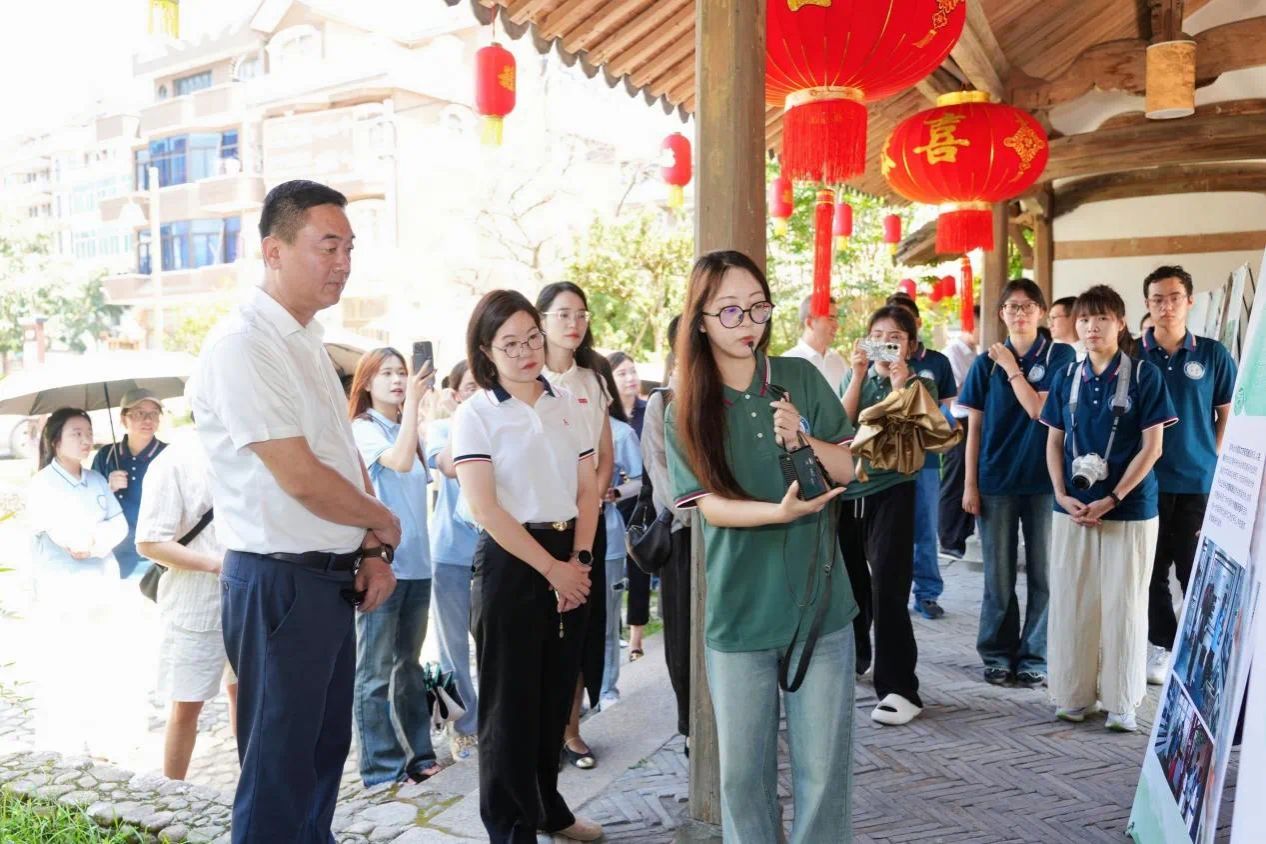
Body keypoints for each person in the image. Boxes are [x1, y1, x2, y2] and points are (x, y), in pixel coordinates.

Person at [192, 180, 402, 843]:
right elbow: (301, 477)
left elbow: (340, 452)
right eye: (327, 246)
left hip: (328, 576)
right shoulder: (244, 343)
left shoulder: (306, 339)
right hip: (278, 580)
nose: (343, 263)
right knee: (278, 772)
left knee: (320, 754)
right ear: (273, 250)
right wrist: (384, 520)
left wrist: (370, 547)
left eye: (349, 248)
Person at [666, 250, 859, 841]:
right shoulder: (684, 408)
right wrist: (778, 512)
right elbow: (710, 507)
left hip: (820, 609)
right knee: (743, 781)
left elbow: (850, 468)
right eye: (729, 310)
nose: (747, 322)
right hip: (739, 615)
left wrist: (802, 438)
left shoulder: (800, 377)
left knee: (824, 775)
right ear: (700, 321)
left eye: (757, 307)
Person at [452, 289, 602, 842]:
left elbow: (588, 490)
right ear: (486, 352)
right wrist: (552, 570)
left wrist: (579, 561)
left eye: (532, 338)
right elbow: (486, 508)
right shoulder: (474, 414)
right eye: (510, 344)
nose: (525, 352)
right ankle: (511, 828)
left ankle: (548, 809)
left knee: (554, 695)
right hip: (512, 561)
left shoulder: (566, 402)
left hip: (570, 555)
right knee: (508, 707)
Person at [1040, 284, 1176, 732]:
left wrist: (1113, 497)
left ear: (1120, 323)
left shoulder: (1144, 376)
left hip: (1130, 508)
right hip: (1073, 507)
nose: (1091, 327)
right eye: (1083, 319)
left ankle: (1122, 701)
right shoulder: (1066, 376)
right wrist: (1061, 493)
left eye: (1101, 318)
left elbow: (1153, 447)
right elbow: (1054, 442)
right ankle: (1074, 694)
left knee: (1125, 603)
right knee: (1073, 600)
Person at [959, 280, 1075, 688]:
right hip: (996, 480)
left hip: (1045, 481)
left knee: (1044, 574)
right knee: (998, 576)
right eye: (1011, 306)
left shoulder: (1060, 355)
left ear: (1041, 312)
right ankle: (996, 654)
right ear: (1001, 313)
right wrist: (970, 484)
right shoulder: (984, 364)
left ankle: (1035, 657)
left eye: (1027, 306)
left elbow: (1039, 409)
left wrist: (1011, 366)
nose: (1019, 313)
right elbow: (974, 428)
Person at [347, 348, 441, 786]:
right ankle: (381, 770)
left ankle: (420, 755)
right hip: (382, 567)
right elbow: (399, 461)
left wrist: (416, 414)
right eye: (386, 373)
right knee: (375, 671)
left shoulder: (409, 429)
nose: (398, 380)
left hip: (418, 565)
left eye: (402, 372)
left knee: (410, 666)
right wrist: (416, 406)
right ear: (366, 383)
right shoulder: (362, 429)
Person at [1138, 266, 1235, 685]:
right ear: (1147, 305)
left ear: (1190, 301)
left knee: (1194, 572)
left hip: (1197, 482)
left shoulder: (1212, 354)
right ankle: (1163, 645)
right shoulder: (1133, 355)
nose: (1167, 306)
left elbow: (1226, 414)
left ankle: (1196, 649)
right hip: (1145, 482)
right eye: (1158, 299)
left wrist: (1210, 455)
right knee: (1150, 572)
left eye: (1175, 297)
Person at [841, 305, 934, 726]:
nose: (885, 343)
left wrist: (900, 384)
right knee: (849, 586)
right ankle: (854, 658)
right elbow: (840, 426)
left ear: (910, 346)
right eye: (877, 335)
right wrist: (857, 375)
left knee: (889, 590)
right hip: (849, 493)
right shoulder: (855, 377)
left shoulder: (920, 383)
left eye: (894, 337)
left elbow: (913, 435)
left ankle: (900, 687)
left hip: (893, 491)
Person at [538, 281, 614, 770]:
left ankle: (571, 729)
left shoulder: (593, 379)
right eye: (563, 314)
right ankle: (539, 733)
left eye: (581, 314)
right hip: (540, 526)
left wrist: (590, 511)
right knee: (542, 629)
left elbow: (604, 457)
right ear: (541, 319)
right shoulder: (528, 379)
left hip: (587, 523)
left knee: (581, 628)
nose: (574, 323)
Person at [135, 428, 238, 781]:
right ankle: (171, 794)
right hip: (196, 603)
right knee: (186, 706)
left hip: (249, 596)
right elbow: (149, 542)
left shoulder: (251, 444)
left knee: (246, 696)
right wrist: (216, 565)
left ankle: (253, 787)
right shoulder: (175, 461)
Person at [27, 408, 127, 752]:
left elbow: (119, 524)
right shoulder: (42, 485)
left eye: (88, 433)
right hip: (63, 592)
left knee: (99, 662)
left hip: (101, 586)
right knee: (65, 666)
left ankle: (100, 739)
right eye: (76, 433)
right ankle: (62, 747)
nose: (86, 440)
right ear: (55, 440)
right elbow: (68, 538)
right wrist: (92, 539)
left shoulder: (96, 480)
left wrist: (96, 541)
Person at [887, 294, 957, 620]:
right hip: (885, 464)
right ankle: (891, 593)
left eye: (903, 323)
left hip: (926, 460)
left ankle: (927, 594)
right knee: (889, 532)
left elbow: (947, 414)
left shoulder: (938, 362)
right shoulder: (878, 362)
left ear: (915, 325)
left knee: (926, 529)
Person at [640, 315, 691, 745]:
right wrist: (705, 515)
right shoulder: (661, 402)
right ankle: (691, 724)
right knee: (682, 634)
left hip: (733, 532)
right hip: (684, 534)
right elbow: (661, 475)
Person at [428, 360, 482, 761]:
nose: (476, 393)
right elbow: (449, 467)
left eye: (482, 386)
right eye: (469, 387)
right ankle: (463, 728)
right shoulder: (443, 428)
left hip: (494, 551)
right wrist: (461, 417)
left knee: (496, 642)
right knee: (453, 651)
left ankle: (498, 719)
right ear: (455, 393)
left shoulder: (500, 424)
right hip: (449, 553)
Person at [91, 388, 168, 580]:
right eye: (140, 413)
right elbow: (90, 504)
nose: (148, 420)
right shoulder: (106, 456)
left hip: (161, 553)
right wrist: (108, 488)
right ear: (123, 419)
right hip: (115, 553)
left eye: (154, 414)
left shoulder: (170, 455)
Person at [599, 370, 642, 708]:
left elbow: (641, 480)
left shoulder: (622, 433)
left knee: (607, 619)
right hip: (561, 537)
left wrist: (615, 492)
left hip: (609, 536)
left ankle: (606, 690)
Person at [609, 350, 651, 662]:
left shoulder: (648, 411)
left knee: (639, 568)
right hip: (614, 500)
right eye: (622, 373)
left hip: (643, 499)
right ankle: (615, 633)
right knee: (612, 572)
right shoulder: (603, 417)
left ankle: (636, 638)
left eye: (632, 371)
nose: (630, 378)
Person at [939, 321, 978, 559]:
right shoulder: (952, 352)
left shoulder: (974, 353)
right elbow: (950, 391)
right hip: (956, 420)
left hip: (974, 420)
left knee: (968, 480)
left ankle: (963, 533)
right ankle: (948, 538)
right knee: (955, 480)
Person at [782, 294, 847, 394]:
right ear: (810, 323)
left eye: (836, 319)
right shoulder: (786, 364)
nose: (836, 325)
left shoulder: (839, 362)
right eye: (830, 318)